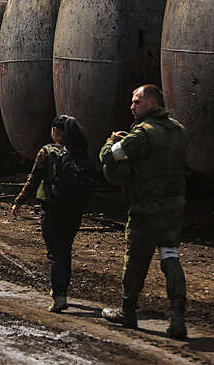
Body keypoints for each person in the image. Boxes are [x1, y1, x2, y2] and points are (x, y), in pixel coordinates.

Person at [99, 84, 189, 339]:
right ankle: (177, 316)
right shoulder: (179, 131)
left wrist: (110, 141)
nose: (132, 106)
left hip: (146, 209)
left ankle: (128, 311)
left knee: (135, 260)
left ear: (151, 103)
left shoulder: (143, 133)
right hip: (173, 209)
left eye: (136, 101)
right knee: (170, 257)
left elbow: (109, 157)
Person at [12, 115, 95, 313]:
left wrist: (19, 201)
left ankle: (59, 296)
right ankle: (62, 290)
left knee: (54, 252)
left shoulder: (47, 151)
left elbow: (33, 180)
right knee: (65, 249)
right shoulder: (81, 153)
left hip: (52, 207)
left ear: (55, 131)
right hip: (74, 209)